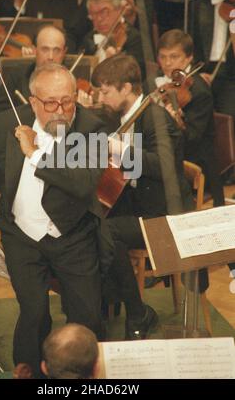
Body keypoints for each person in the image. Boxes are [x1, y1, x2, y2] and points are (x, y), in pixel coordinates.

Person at [0, 63, 114, 378]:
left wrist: (34, 153)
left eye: (67, 102)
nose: (60, 111)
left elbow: (83, 184)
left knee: (87, 316)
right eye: (50, 103)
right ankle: (30, 370)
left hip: (74, 235)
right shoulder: (6, 123)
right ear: (32, 101)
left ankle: (86, 375)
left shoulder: (93, 129)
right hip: (22, 236)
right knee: (33, 313)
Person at [91, 54, 193, 338]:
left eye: (105, 91)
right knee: (89, 220)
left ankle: (138, 313)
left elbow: (163, 166)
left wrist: (119, 151)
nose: (100, 96)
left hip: (166, 216)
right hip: (138, 206)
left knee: (108, 232)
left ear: (126, 88)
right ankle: (102, 303)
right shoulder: (120, 116)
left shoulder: (157, 118)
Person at [156, 29, 225, 207]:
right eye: (163, 57)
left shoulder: (199, 91)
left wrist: (175, 120)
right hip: (172, 152)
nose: (167, 63)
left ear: (188, 59)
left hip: (196, 162)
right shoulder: (163, 84)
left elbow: (192, 138)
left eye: (174, 57)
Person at [0, 24, 67, 126]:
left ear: (64, 52)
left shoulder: (71, 81)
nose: (51, 57)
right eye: (45, 49)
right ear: (34, 49)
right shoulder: (17, 76)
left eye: (56, 50)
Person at [193, 0, 235, 120]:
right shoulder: (200, 5)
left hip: (231, 78)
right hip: (204, 74)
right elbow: (191, 44)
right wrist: (196, 74)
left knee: (228, 117)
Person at [83, 0, 145, 75]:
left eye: (104, 12)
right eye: (93, 14)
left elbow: (134, 76)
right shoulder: (88, 38)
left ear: (119, 10)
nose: (99, 19)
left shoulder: (134, 38)